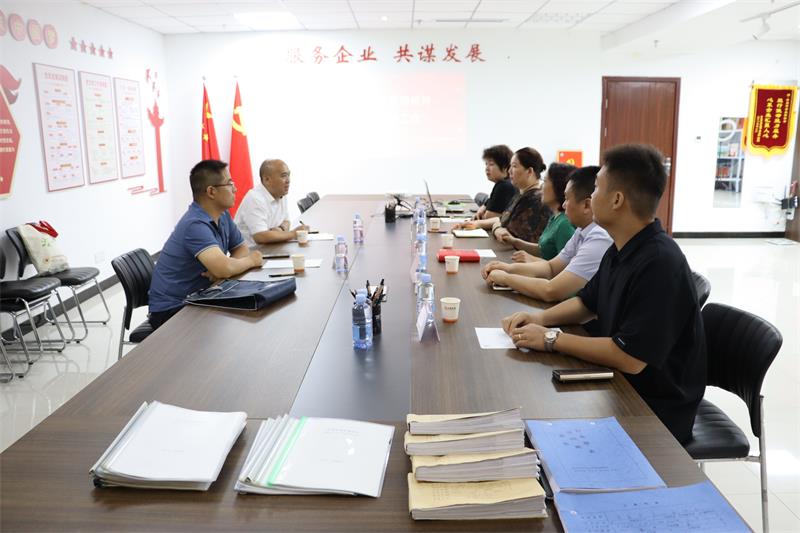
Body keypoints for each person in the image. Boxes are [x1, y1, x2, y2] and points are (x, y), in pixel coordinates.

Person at [501, 144, 706, 444]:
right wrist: (538, 320)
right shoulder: (620, 246)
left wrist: (551, 339)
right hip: (619, 384)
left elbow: (630, 358)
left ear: (617, 200)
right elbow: (586, 303)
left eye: (597, 188)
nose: (591, 196)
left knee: (534, 432)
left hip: (652, 408)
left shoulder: (660, 263)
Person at [148, 160, 263, 330]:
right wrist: (251, 261)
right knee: (241, 323)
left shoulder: (222, 215)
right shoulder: (194, 224)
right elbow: (226, 267)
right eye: (230, 183)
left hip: (203, 295)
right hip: (173, 308)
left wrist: (224, 270)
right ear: (211, 191)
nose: (235, 189)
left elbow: (241, 248)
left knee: (252, 313)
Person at [482, 166, 611, 302]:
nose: (564, 205)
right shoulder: (582, 230)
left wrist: (506, 278)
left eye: (567, 199)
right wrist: (508, 268)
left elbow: (551, 290)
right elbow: (551, 267)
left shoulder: (598, 238)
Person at [455, 147, 551, 243]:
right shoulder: (522, 193)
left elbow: (507, 234)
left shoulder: (534, 199)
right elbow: (503, 220)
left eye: (514, 166)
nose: (509, 171)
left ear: (529, 171)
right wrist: (477, 223)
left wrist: (496, 228)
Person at [504, 162, 576, 262]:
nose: (541, 186)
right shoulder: (555, 217)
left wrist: (532, 259)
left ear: (558, 187)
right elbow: (544, 250)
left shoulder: (564, 224)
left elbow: (566, 266)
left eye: (545, 181)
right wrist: (515, 242)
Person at [234, 159, 308, 246]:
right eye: (283, 176)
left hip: (270, 247)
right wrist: (293, 234)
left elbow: (286, 221)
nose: (288, 180)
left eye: (289, 175)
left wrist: (280, 229)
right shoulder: (255, 199)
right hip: (251, 251)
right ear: (267, 179)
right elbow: (260, 236)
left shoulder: (280, 193)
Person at [473, 145, 515, 220]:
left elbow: (488, 217)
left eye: (491, 164)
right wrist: (484, 207)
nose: (487, 168)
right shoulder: (509, 182)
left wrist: (480, 214)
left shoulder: (503, 186)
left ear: (505, 167)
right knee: (479, 196)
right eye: (486, 164)